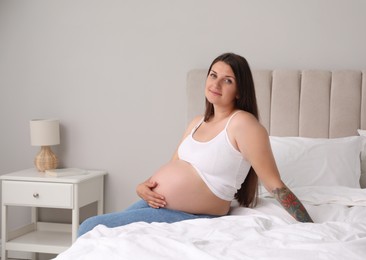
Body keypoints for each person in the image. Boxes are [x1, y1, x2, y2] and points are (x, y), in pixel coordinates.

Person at [78, 52, 313, 237]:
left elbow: (275, 185)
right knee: (97, 233)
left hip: (193, 214)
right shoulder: (196, 122)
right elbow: (173, 167)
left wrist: (311, 226)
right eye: (213, 75)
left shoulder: (243, 124)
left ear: (240, 90)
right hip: (161, 205)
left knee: (91, 226)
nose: (216, 83)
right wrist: (143, 187)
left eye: (227, 80)